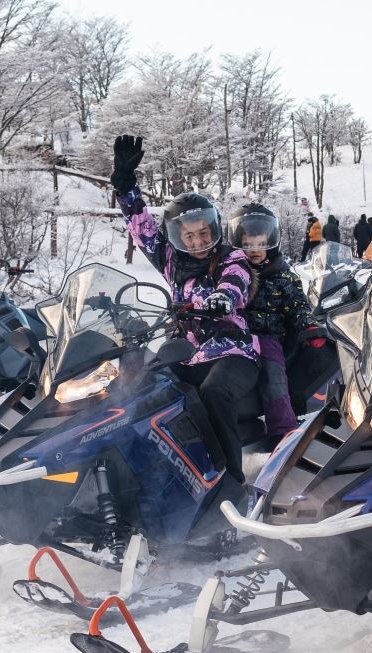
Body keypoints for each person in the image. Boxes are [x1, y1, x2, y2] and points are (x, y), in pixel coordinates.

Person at [109, 134, 259, 485]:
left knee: (212, 393)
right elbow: (140, 225)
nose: (198, 241)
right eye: (189, 236)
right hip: (185, 351)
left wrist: (224, 297)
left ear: (214, 229)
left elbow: (235, 280)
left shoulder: (229, 257)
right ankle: (135, 476)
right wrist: (124, 184)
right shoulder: (171, 261)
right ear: (177, 236)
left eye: (204, 233)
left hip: (232, 352)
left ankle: (232, 483)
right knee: (140, 390)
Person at [228, 203, 324, 441]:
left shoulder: (282, 274)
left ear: (271, 242)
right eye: (248, 245)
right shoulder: (230, 274)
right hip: (232, 336)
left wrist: (309, 325)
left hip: (267, 337)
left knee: (273, 377)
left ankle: (283, 433)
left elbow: (298, 304)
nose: (255, 250)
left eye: (261, 244)